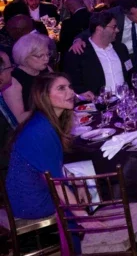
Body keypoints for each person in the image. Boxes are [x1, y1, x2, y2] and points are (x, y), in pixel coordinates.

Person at [5, 74, 74, 220]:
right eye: (61, 88)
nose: (71, 92)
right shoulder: (40, 129)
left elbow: (53, 167)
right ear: (45, 96)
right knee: (82, 182)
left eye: (70, 87)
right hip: (33, 202)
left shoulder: (47, 121)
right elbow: (56, 183)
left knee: (80, 179)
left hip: (36, 189)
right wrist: (86, 220)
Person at [70, 0, 137, 72]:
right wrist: (78, 40)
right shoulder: (113, 15)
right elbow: (93, 30)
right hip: (120, 55)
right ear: (127, 14)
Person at [66, 11, 132, 98]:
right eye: (114, 27)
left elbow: (130, 73)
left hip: (124, 101)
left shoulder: (121, 49)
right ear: (99, 29)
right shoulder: (79, 52)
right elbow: (73, 82)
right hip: (96, 105)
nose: (117, 30)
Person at [10, 33, 52, 116]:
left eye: (47, 54)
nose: (46, 59)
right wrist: (51, 109)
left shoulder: (47, 69)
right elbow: (19, 118)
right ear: (24, 57)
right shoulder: (13, 80)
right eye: (40, 56)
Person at [58, 0, 91, 64]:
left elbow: (63, 45)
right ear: (82, 3)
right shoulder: (94, 16)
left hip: (74, 58)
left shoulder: (68, 23)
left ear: (70, 8)